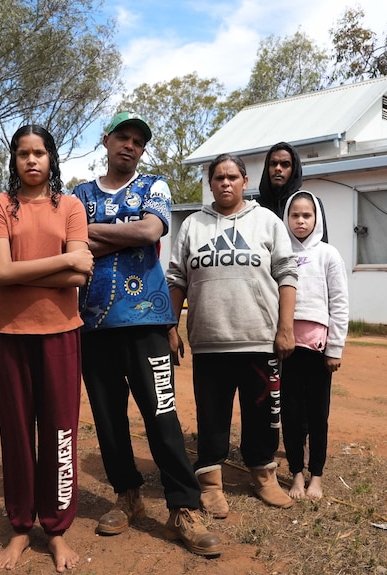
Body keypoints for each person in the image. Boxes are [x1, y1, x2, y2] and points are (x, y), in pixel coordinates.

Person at [72, 112, 221, 557]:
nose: (130, 145)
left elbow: (151, 229)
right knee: (109, 419)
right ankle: (128, 495)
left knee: (162, 417)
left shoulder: (154, 186)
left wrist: (89, 234)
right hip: (93, 323)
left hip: (148, 321)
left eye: (138, 140)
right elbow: (70, 245)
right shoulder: (79, 194)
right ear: (106, 140)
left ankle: (183, 508)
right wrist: (121, 235)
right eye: (123, 137)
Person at [0, 124, 93, 572]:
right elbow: (2, 271)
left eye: (40, 153)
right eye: (23, 153)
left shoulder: (70, 206)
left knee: (60, 433)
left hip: (61, 332)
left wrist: (14, 272)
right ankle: (20, 528)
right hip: (9, 333)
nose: (31, 161)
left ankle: (57, 530)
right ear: (13, 160)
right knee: (16, 433)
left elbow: (79, 276)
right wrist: (65, 259)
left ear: (52, 159)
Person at [166, 153, 298, 518]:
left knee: (261, 416)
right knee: (211, 417)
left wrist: (286, 328)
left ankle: (263, 475)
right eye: (218, 177)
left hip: (259, 339)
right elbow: (176, 279)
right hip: (209, 342)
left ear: (244, 181)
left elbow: (287, 274)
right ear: (210, 184)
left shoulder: (267, 221)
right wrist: (171, 326)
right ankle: (210, 482)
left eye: (232, 177)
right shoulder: (193, 224)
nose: (225, 183)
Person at [280, 190, 349, 500]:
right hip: (286, 348)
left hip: (319, 352)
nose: (301, 220)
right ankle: (296, 473)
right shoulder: (279, 253)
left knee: (318, 414)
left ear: (317, 218)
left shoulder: (328, 254)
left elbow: (339, 302)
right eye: (295, 215)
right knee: (291, 414)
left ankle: (316, 476)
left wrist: (335, 348)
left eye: (307, 215)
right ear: (287, 218)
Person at [257, 142, 328, 243]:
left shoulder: (310, 203)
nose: (278, 168)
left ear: (294, 169)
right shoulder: (255, 207)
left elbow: (320, 245)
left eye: (285, 164)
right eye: (273, 164)